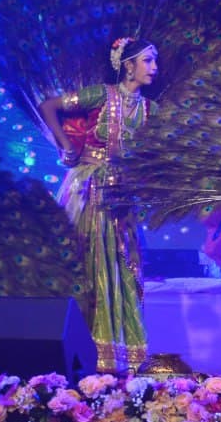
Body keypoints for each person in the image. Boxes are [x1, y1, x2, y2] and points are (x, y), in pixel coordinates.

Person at [40, 37, 157, 373]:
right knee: (84, 260)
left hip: (121, 199)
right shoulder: (100, 95)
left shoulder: (151, 111)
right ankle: (70, 344)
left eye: (155, 62)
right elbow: (50, 106)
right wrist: (67, 148)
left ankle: (115, 352)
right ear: (128, 64)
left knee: (118, 266)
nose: (154, 68)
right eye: (148, 61)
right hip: (85, 189)